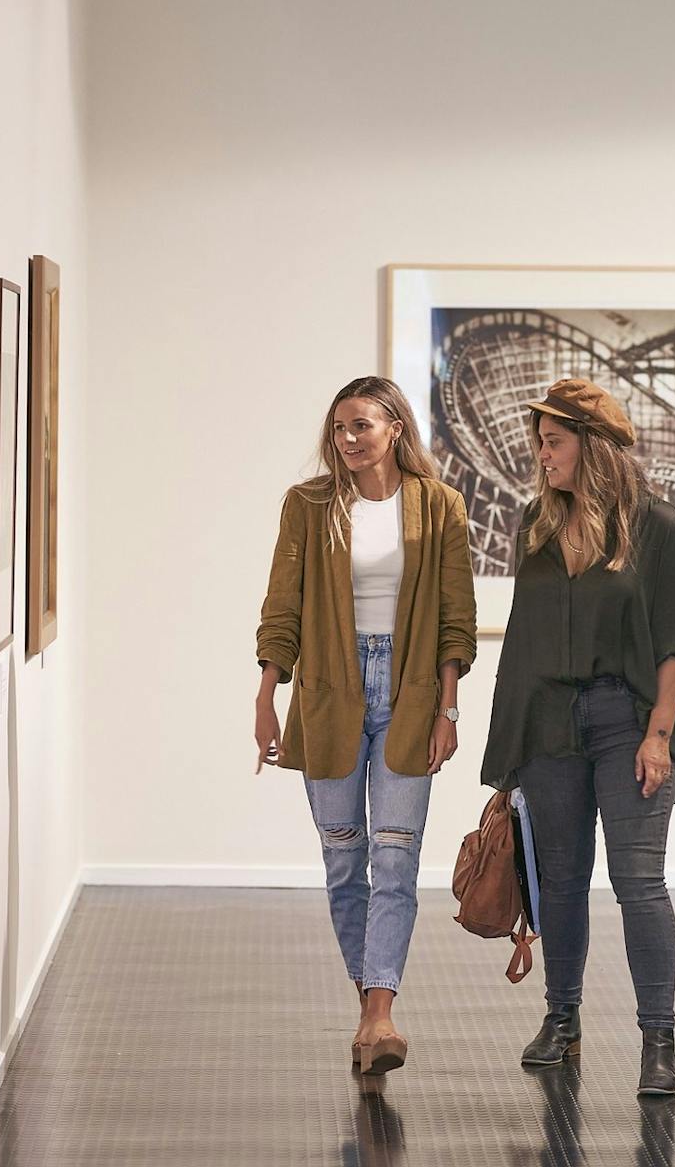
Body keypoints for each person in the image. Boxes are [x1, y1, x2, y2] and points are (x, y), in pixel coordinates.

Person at [255, 376, 477, 1075]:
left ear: (395, 429)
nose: (350, 439)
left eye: (363, 426)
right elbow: (282, 607)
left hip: (410, 695)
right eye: (341, 427)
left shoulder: (438, 505)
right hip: (327, 691)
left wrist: (447, 708)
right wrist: (267, 694)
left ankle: (382, 1013)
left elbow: (455, 617)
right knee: (346, 856)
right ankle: (368, 1008)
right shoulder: (309, 505)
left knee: (397, 855)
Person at [481, 377, 675, 1095]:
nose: (542, 456)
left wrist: (658, 737)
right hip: (546, 725)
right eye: (539, 444)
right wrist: (507, 748)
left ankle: (657, 1041)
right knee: (562, 883)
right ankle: (562, 1022)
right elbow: (522, 641)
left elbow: (673, 647)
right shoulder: (534, 528)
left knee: (639, 886)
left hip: (627, 723)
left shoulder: (662, 531)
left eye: (554, 442)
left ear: (594, 447)